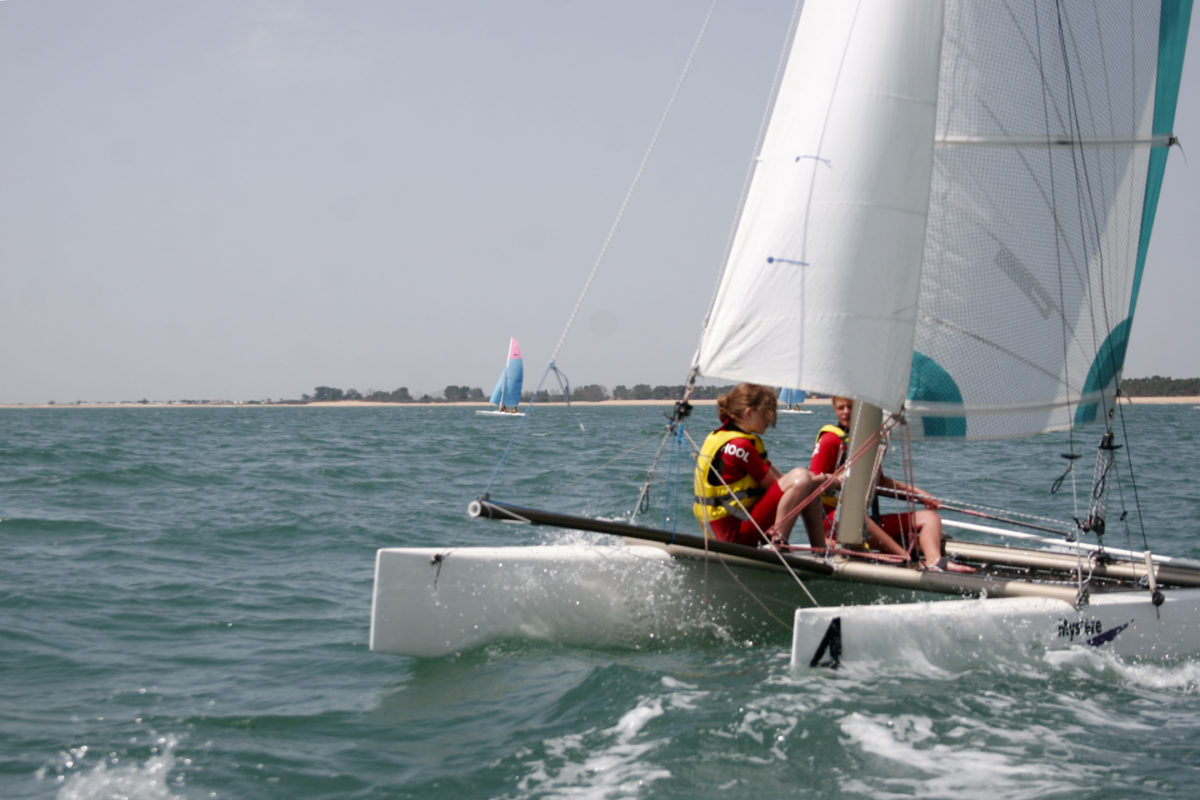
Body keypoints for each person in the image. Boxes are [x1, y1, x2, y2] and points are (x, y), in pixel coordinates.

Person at [809, 395, 973, 572]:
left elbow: (879, 482)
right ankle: (908, 560)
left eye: (851, 407)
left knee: (930, 518)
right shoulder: (831, 440)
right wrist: (837, 480)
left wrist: (920, 494)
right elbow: (812, 482)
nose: (846, 412)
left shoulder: (868, 440)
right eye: (841, 408)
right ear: (834, 410)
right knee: (856, 517)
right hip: (832, 520)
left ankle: (936, 562)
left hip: (862, 520)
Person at [692, 383, 828, 549]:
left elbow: (781, 481)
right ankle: (778, 542)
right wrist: (823, 479)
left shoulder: (719, 437)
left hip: (726, 530)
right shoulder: (742, 446)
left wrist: (820, 480)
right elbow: (776, 484)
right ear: (750, 413)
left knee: (805, 482)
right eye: (766, 415)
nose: (770, 422)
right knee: (802, 478)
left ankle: (820, 550)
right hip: (738, 535)